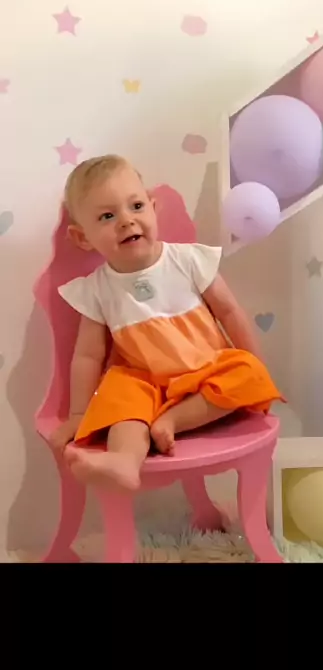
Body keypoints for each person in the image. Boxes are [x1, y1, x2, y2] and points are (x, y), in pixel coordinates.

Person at [49, 154, 284, 493]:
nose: (126, 221)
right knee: (118, 395)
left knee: (247, 372)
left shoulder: (188, 260)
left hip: (206, 371)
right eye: (107, 216)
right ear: (83, 237)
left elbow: (229, 312)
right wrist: (77, 414)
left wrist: (255, 361)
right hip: (146, 381)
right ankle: (123, 461)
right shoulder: (98, 289)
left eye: (136, 206)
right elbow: (88, 356)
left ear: (153, 207)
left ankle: (172, 421)